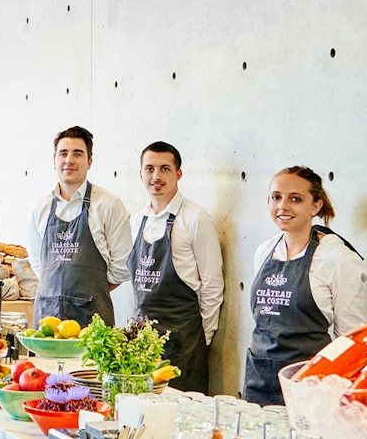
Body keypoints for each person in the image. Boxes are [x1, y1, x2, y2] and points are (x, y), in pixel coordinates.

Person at [243, 166, 367, 405]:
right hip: (257, 377)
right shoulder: (264, 251)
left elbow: (351, 339)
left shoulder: (338, 258)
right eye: (276, 197)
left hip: (309, 383)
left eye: (296, 199)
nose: (283, 206)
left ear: (315, 206)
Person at [125, 142, 223, 394]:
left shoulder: (195, 218)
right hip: (143, 342)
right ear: (141, 175)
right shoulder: (138, 221)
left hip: (184, 342)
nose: (156, 176)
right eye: (149, 169)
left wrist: (202, 340)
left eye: (164, 169)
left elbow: (212, 284)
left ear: (178, 174)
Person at [28, 126, 132, 327]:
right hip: (47, 319)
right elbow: (37, 261)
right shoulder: (40, 207)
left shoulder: (108, 205)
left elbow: (123, 265)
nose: (69, 160)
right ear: (54, 161)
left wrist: (91, 290)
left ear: (89, 161)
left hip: (92, 319)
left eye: (77, 154)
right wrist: (58, 290)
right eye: (63, 153)